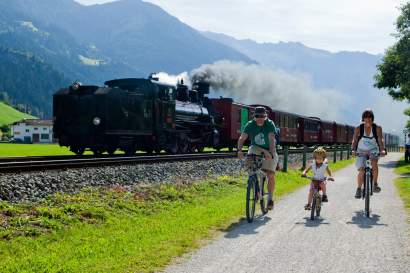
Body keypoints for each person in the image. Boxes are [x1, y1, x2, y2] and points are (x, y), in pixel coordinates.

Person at [237, 106, 279, 210]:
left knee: (270, 174)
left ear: (266, 116)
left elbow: (272, 139)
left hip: (269, 148)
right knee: (250, 165)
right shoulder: (250, 124)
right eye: (257, 116)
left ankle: (270, 198)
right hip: (256, 148)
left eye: (262, 116)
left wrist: (269, 153)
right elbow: (242, 137)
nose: (260, 118)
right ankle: (254, 185)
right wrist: (239, 150)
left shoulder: (269, 124)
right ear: (254, 117)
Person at [351, 109, 386, 198]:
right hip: (361, 150)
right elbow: (355, 140)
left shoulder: (377, 128)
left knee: (374, 164)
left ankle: (375, 184)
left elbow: (380, 139)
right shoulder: (358, 128)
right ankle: (358, 189)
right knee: (361, 170)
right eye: (366, 117)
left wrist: (382, 150)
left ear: (372, 118)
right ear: (363, 118)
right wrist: (353, 150)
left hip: (373, 150)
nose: (368, 118)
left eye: (370, 116)